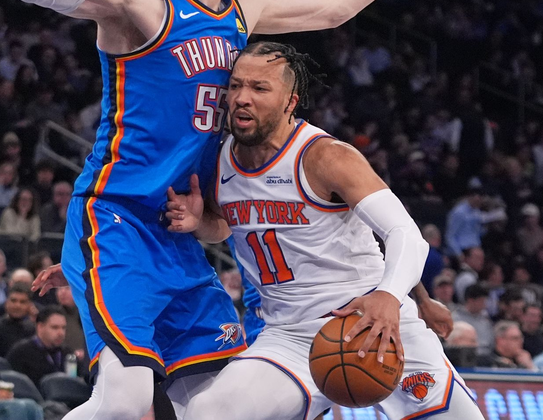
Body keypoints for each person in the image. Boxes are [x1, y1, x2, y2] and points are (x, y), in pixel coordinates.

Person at [0, 0, 480, 417]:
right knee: (123, 404)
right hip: (120, 216)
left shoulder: (244, 5)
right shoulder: (140, 0)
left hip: (183, 230)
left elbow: (332, 5)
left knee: (208, 406)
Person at [162, 43, 480, 420]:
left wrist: (393, 296)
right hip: (290, 334)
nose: (242, 98)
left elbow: (404, 234)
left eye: (260, 88)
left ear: (290, 101)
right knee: (206, 412)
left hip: (374, 321)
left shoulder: (326, 156)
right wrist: (201, 223)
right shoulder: (217, 158)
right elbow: (225, 226)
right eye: (235, 86)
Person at [6, 306, 83, 388]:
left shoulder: (68, 353)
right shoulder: (20, 352)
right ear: (40, 327)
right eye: (55, 327)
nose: (61, 333)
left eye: (63, 328)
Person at [0, 283, 36, 357]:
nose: (17, 306)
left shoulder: (33, 329)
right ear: (6, 302)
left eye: (22, 302)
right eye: (13, 300)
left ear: (29, 305)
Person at [452, 283, 494, 357]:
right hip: (463, 357)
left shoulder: (485, 320)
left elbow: (491, 344)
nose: (485, 305)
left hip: (487, 358)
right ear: (471, 300)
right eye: (482, 301)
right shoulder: (455, 319)